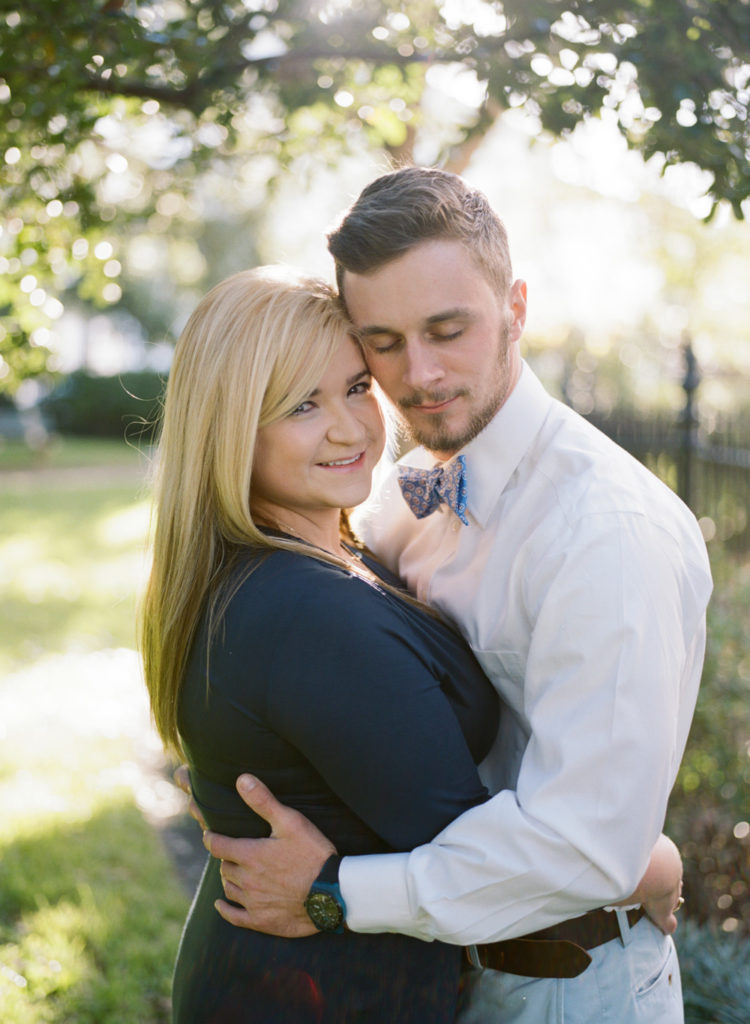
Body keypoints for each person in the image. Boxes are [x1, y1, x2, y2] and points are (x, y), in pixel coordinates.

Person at [194, 168, 713, 1023]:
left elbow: (584, 846)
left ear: (514, 307)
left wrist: (335, 892)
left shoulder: (608, 533)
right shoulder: (396, 497)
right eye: (384, 344)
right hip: (433, 977)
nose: (419, 374)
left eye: (448, 330)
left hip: (563, 983)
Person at [139, 266, 509, 1022]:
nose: (351, 427)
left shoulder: (316, 558)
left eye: (353, 387)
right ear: (233, 427)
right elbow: (481, 867)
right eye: (302, 405)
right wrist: (642, 866)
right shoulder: (307, 614)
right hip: (317, 997)